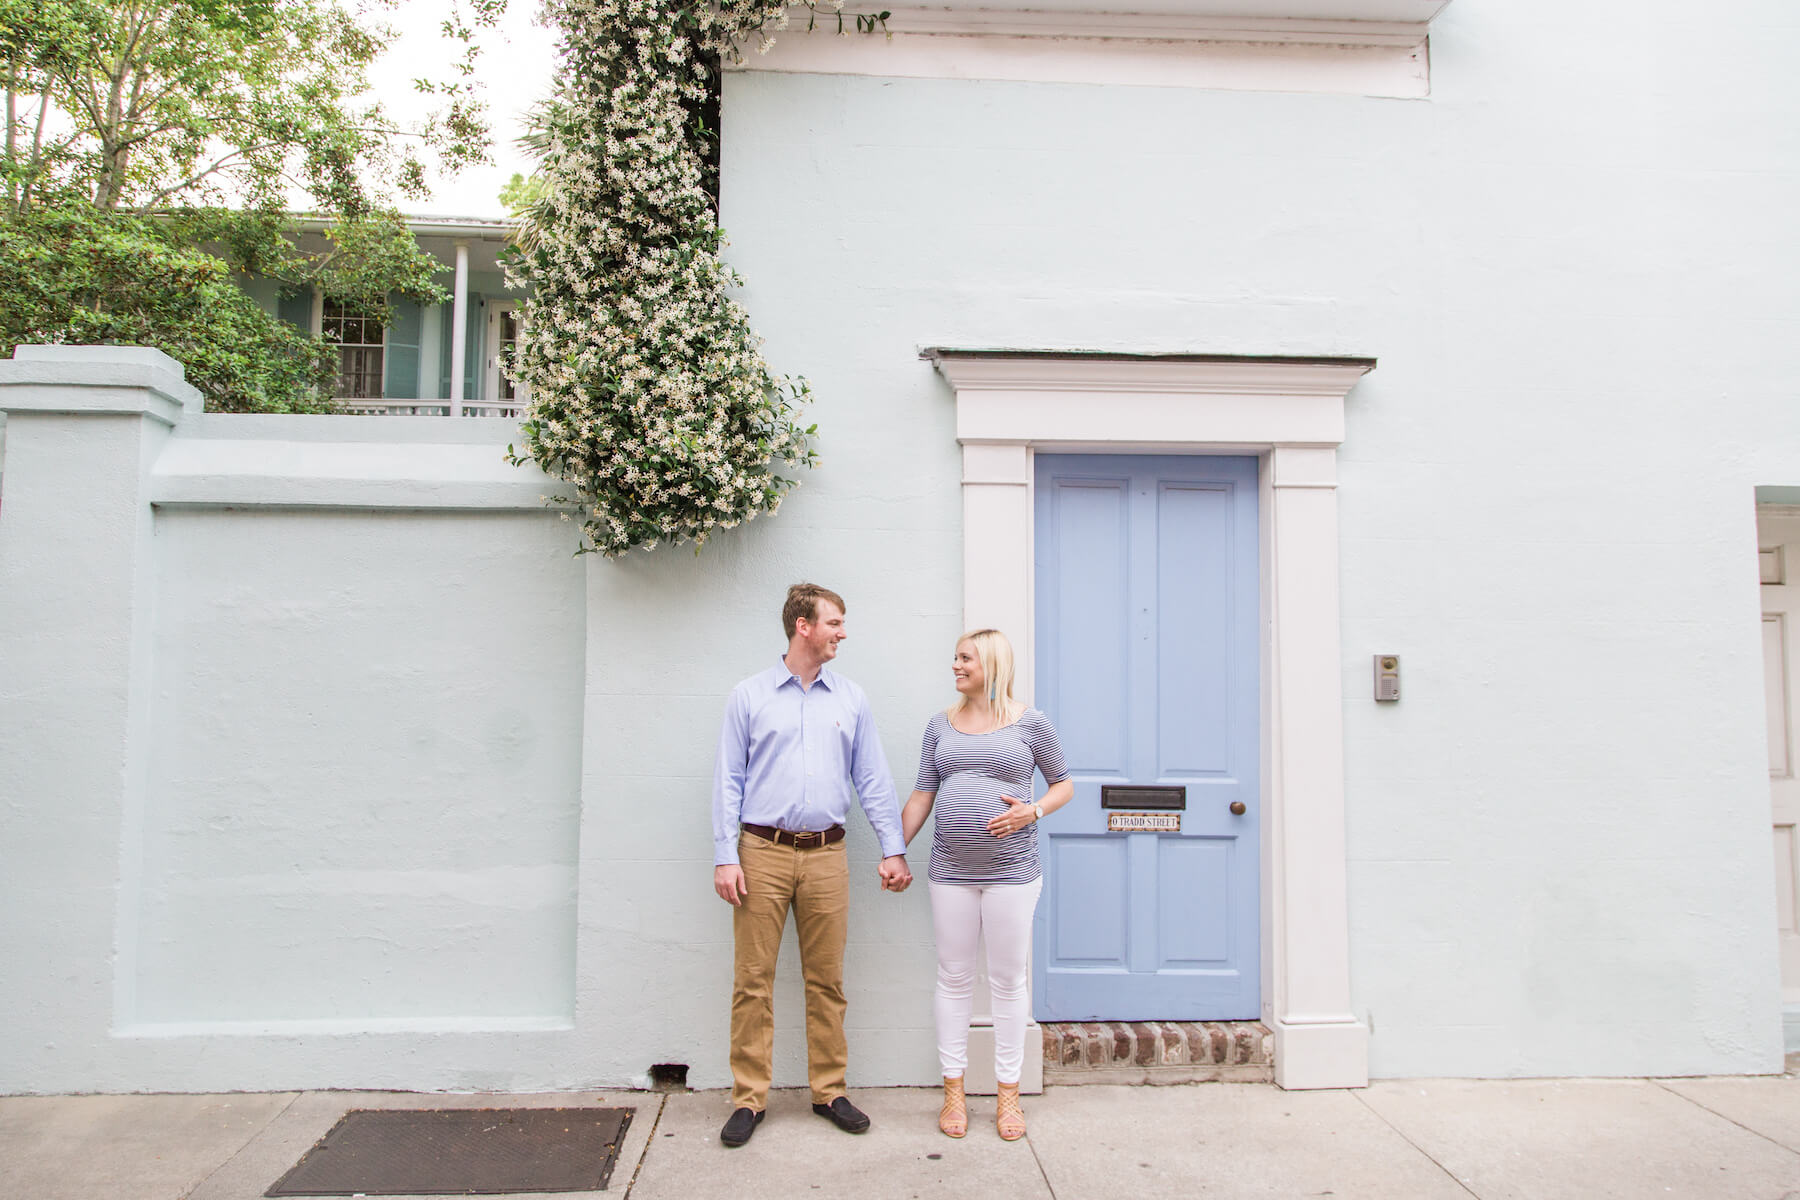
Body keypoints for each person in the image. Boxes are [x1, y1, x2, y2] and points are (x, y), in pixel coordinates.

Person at [712, 583, 914, 1148]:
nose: (842, 633)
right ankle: (749, 1099)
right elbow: (728, 781)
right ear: (803, 625)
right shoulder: (749, 696)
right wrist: (725, 855)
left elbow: (872, 778)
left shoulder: (850, 698)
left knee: (827, 980)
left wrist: (892, 847)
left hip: (827, 855)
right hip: (761, 854)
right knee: (752, 982)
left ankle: (829, 1090)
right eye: (834, 622)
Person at [900, 628, 1072, 1142]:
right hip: (950, 870)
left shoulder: (1031, 722)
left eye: (965, 658)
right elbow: (922, 792)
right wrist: (893, 848)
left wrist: (1032, 811)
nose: (955, 665)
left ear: (991, 663)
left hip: (1012, 872)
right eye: (954, 657)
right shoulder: (940, 725)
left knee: (1006, 981)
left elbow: (1063, 783)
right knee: (953, 977)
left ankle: (1008, 1094)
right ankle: (954, 1090)